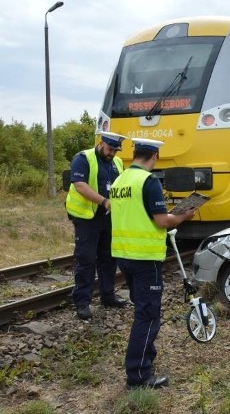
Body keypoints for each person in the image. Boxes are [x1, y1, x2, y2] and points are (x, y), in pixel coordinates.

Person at [109, 137, 196, 390]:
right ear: (154, 157)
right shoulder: (148, 181)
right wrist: (183, 215)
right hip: (145, 259)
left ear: (135, 154)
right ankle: (138, 376)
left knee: (142, 312)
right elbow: (161, 221)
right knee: (147, 317)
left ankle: (146, 358)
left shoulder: (119, 180)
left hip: (124, 256)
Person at [66, 131, 130, 320]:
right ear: (101, 143)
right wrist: (104, 201)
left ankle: (107, 296)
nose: (112, 154)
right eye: (110, 149)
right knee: (86, 258)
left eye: (116, 151)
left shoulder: (117, 163)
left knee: (109, 258)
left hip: (109, 217)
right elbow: (80, 185)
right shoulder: (83, 158)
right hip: (87, 217)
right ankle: (82, 302)